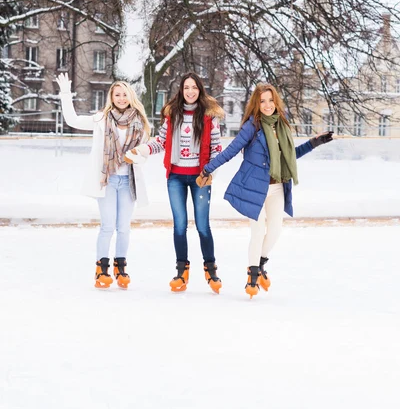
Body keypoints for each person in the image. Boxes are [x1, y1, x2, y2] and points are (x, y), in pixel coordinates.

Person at [197, 83, 334, 298]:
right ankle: (252, 278)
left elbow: (289, 156)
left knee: (276, 230)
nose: (267, 105)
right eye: (263, 101)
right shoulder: (252, 127)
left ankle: (260, 263)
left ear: (276, 102)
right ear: (256, 104)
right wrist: (208, 169)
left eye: (271, 100)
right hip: (254, 188)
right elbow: (231, 151)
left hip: (278, 187)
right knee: (258, 231)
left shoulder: (282, 126)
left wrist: (315, 142)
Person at [129, 72, 224, 294]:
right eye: (186, 88)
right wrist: (142, 149)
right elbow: (161, 141)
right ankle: (182, 272)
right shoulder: (172, 115)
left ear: (200, 90)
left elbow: (216, 148)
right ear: (181, 91)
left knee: (202, 226)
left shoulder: (210, 116)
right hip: (176, 178)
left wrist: (210, 172)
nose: (190, 91)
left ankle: (211, 269)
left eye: (194, 87)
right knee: (179, 226)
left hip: (201, 178)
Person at [56, 72, 151, 289]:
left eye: (124, 95)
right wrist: (64, 94)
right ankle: (102, 270)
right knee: (108, 226)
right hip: (107, 181)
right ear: (112, 97)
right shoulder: (101, 119)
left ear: (130, 96)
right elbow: (72, 120)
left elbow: (144, 154)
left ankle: (121, 268)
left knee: (124, 227)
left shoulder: (139, 122)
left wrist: (136, 156)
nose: (121, 98)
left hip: (128, 181)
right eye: (117, 95)